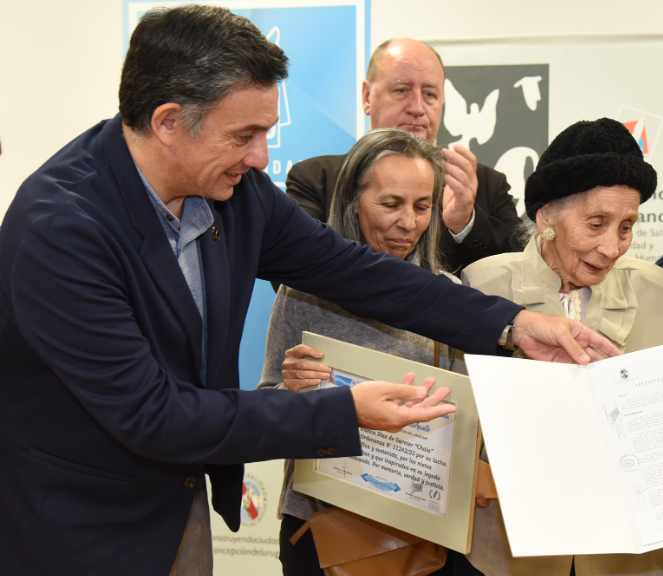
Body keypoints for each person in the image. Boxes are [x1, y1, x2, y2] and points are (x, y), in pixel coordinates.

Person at [0, 7, 620, 575]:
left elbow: (360, 274)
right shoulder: (60, 229)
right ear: (168, 122)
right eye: (244, 135)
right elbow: (153, 414)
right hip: (74, 527)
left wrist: (514, 324)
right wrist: (343, 411)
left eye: (265, 131)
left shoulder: (235, 194)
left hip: (179, 510)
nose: (261, 155)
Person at [460, 118, 663, 576]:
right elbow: (462, 421)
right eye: (596, 223)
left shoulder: (658, 292)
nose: (611, 246)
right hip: (512, 548)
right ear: (546, 217)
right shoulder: (482, 285)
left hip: (626, 554)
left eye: (626, 227)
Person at [258, 128, 474, 575]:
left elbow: (461, 421)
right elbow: (266, 404)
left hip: (417, 534)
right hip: (320, 530)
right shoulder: (302, 294)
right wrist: (293, 391)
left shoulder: (448, 296)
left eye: (421, 206)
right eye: (391, 204)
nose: (409, 223)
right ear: (353, 201)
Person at [286, 38, 520, 273]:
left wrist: (465, 224)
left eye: (429, 94)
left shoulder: (486, 184)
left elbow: (521, 277)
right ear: (367, 96)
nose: (417, 107)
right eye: (402, 90)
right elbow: (294, 268)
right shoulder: (315, 179)